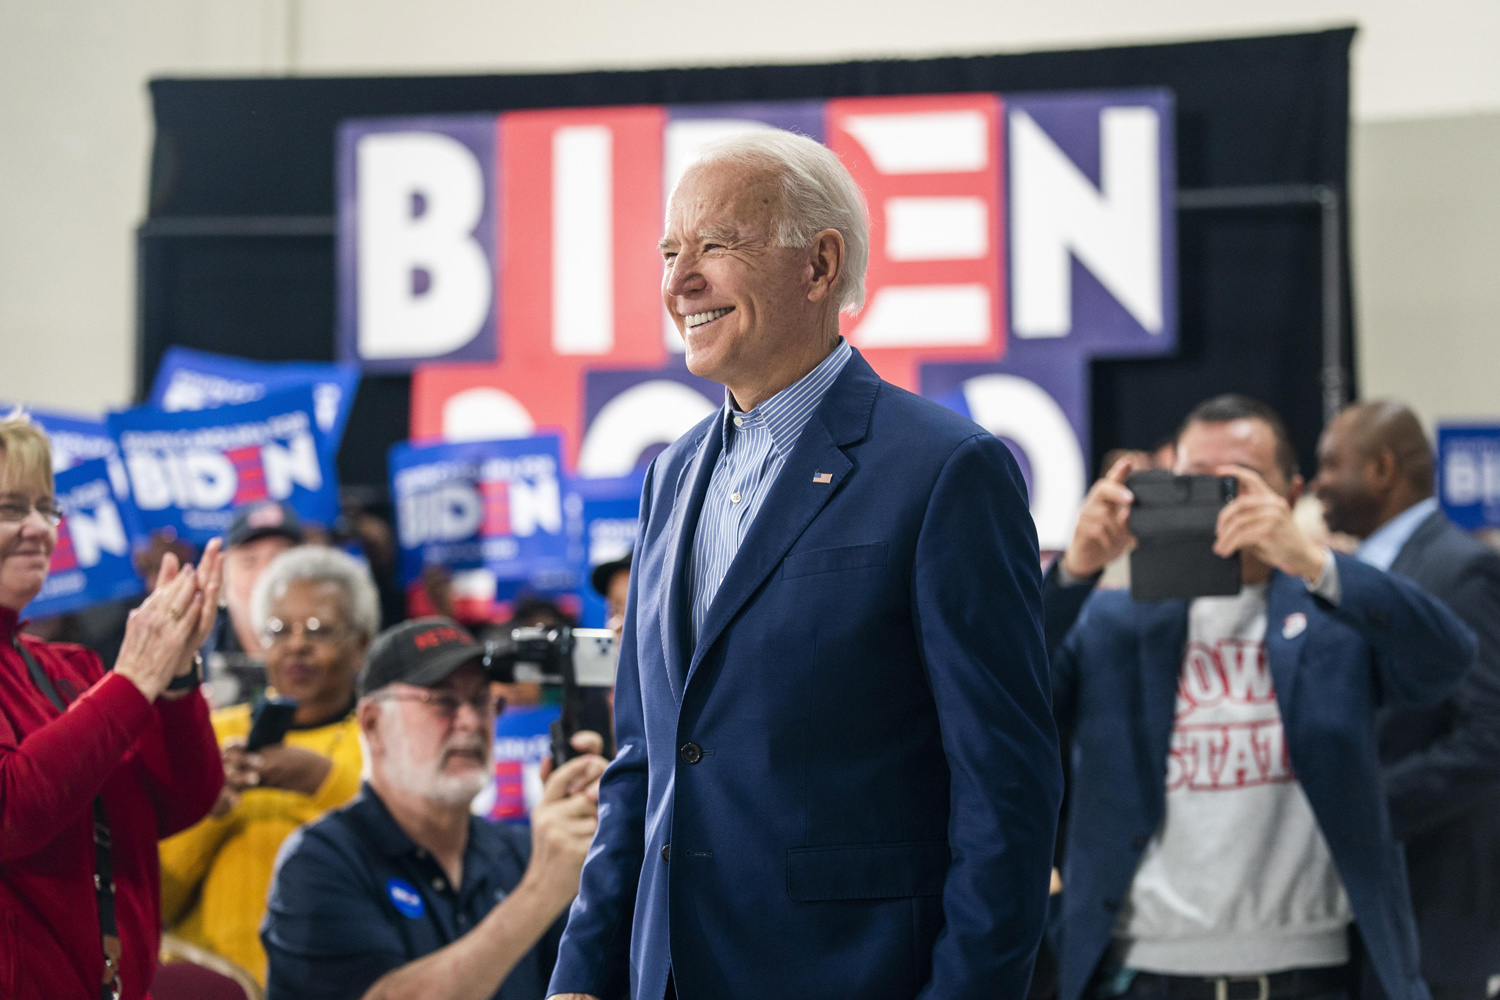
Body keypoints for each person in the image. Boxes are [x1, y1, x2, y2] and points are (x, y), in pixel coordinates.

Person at [547, 129, 1060, 1000]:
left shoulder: (946, 469)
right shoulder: (670, 475)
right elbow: (645, 762)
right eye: (671, 251)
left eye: (715, 246)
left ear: (820, 266)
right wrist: (581, 976)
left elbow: (1005, 789)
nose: (679, 282)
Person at [1045, 394, 1477, 1000]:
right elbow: (1005, 698)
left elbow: (1447, 659)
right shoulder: (1112, 621)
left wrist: (1313, 562)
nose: (1221, 501)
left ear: (1291, 492)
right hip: (1145, 971)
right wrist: (1073, 574)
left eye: (1240, 482)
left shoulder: (1335, 614)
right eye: (1197, 482)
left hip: (1314, 970)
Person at [261, 617, 606, 1000]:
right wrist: (542, 890)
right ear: (373, 724)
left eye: (480, 701)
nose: (471, 722)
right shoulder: (319, 862)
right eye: (442, 702)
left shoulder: (517, 853)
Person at [0, 415, 224, 1000]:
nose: (38, 530)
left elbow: (175, 804)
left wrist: (174, 677)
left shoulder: (68, 668)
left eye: (46, 509)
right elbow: (11, 813)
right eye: (9, 509)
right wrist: (134, 677)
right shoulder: (104, 675)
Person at [1314, 400, 1500, 998]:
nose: (1318, 485)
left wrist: (1363, 809)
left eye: (1330, 465)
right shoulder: (1350, 573)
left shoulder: (1460, 569)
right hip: (1365, 898)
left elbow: (1488, 736)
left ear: (1382, 469)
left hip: (1437, 897)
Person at [159, 544, 381, 982]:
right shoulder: (208, 733)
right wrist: (211, 807)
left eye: (318, 629)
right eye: (279, 630)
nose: (296, 645)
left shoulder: (383, 740)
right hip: (211, 985)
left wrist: (321, 781)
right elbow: (156, 898)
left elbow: (408, 863)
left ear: (361, 645)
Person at [203, 500, 306, 680]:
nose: (265, 574)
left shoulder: (339, 652)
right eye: (249, 562)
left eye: (280, 559)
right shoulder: (196, 657)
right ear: (222, 579)